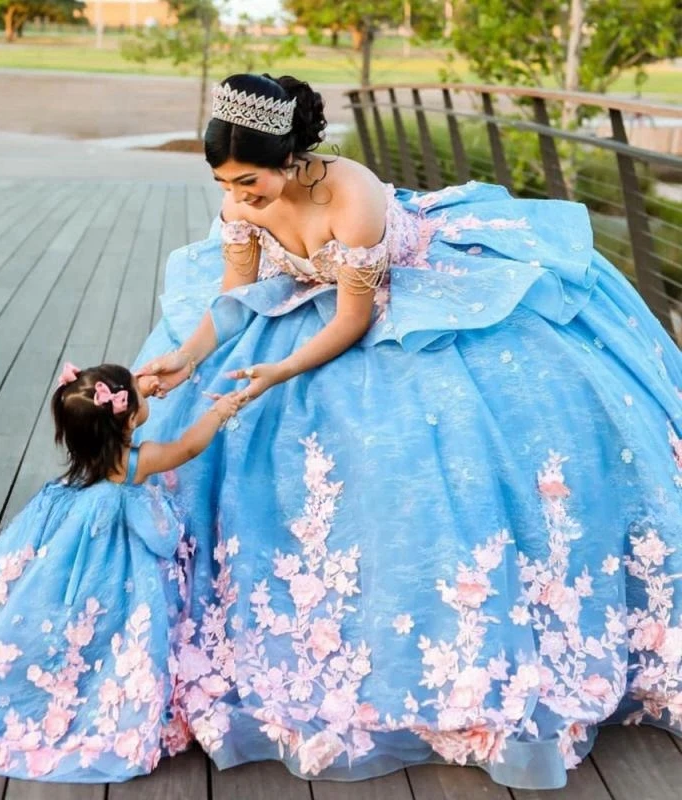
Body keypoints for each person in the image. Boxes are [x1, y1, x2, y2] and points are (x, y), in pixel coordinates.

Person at [131, 73, 682, 789]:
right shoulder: (244, 200)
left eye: (249, 181)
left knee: (433, 452)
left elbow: (351, 322)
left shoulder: (351, 201)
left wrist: (278, 373)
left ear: (292, 161)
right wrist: (183, 358)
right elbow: (237, 294)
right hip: (305, 300)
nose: (237, 196)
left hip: (392, 304)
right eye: (225, 183)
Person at [0, 363, 242, 782]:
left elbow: (108, 411)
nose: (142, 398)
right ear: (126, 420)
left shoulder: (91, 450)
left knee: (72, 606)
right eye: (135, 399)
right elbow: (186, 448)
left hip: (77, 543)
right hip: (119, 557)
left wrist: (138, 390)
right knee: (120, 610)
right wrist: (220, 412)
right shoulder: (134, 463)